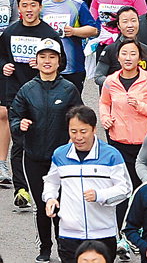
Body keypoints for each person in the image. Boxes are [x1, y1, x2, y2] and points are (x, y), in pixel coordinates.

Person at [9, 38, 81, 262]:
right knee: (42, 205)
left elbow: (80, 119)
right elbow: (14, 115)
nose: (47, 61)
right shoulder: (27, 89)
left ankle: (64, 247)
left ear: (59, 61)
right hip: (34, 157)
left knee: (62, 206)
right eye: (43, 57)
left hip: (62, 160)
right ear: (36, 61)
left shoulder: (69, 89)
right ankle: (45, 247)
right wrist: (19, 125)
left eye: (52, 57)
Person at [98, 37, 147, 250]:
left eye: (132, 54)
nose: (128, 58)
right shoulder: (110, 80)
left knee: (139, 189)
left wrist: (141, 106)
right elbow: (104, 102)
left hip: (143, 144)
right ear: (118, 57)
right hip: (118, 142)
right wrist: (105, 118)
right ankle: (119, 236)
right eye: (124, 54)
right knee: (121, 189)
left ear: (140, 58)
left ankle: (138, 234)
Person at [43, 105, 132, 263]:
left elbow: (125, 189)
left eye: (83, 131)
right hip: (68, 233)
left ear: (93, 129)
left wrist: (100, 195)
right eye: (73, 132)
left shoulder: (111, 155)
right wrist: (50, 198)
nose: (78, 137)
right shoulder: (60, 154)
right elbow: (51, 182)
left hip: (103, 233)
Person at [0, 0, 62, 209]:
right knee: (19, 140)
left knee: (42, 137)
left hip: (42, 93)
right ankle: (21, 189)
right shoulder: (10, 32)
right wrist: (4, 66)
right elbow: (2, 57)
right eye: (24, 5)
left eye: (33, 5)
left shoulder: (49, 34)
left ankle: (47, 184)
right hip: (15, 93)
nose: (28, 9)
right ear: (18, 7)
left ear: (40, 7)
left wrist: (43, 65)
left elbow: (61, 63)